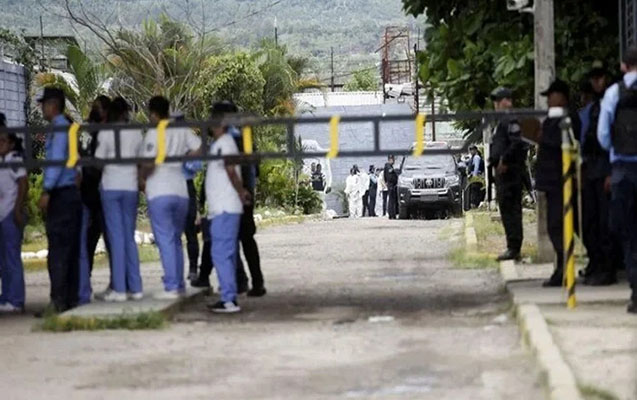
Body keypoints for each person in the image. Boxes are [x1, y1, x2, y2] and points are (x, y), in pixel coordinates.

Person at [140, 96, 202, 299]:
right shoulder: (181, 130)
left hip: (160, 191)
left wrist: (143, 174)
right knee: (175, 240)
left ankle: (172, 285)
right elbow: (200, 147)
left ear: (153, 114)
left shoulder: (153, 133)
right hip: (181, 191)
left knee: (165, 240)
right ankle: (179, 284)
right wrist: (183, 159)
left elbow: (148, 164)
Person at [597, 46, 637, 314]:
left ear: (623, 66)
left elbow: (603, 135)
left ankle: (636, 294)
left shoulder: (614, 93)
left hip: (623, 170)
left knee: (630, 235)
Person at [37, 88, 83, 313]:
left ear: (52, 105)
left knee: (58, 250)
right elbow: (76, 163)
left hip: (61, 194)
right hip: (71, 193)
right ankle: (71, 299)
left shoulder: (58, 128)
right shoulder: (70, 128)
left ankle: (58, 301)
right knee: (71, 249)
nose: (42, 109)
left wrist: (46, 190)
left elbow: (55, 161)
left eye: (44, 104)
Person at [94, 97, 144, 302]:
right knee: (129, 237)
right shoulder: (136, 132)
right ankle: (136, 287)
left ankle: (120, 289)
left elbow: (98, 161)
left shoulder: (106, 132)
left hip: (111, 186)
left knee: (116, 239)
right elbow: (141, 159)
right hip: (130, 187)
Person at [204, 103, 251, 313]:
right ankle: (229, 295)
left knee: (221, 253)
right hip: (226, 207)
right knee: (227, 254)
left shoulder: (224, 143)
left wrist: (241, 192)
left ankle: (228, 300)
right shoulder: (225, 143)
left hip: (224, 208)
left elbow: (231, 171)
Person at [535, 79, 581, 287]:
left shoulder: (568, 118)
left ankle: (565, 269)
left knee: (560, 225)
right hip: (552, 182)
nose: (548, 101)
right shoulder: (554, 118)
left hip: (562, 182)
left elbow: (565, 142)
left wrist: (542, 137)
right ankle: (563, 267)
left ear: (561, 97)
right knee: (557, 226)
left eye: (551, 96)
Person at [579, 64, 617, 286]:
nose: (596, 82)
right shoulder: (594, 107)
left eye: (599, 78)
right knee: (591, 221)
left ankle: (608, 269)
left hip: (606, 169)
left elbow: (613, 140)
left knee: (606, 223)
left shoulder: (613, 102)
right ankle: (597, 264)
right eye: (593, 79)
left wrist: (611, 171)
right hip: (592, 169)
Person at [488, 87, 527, 261]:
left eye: (499, 100)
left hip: (510, 173)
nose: (496, 104)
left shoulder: (511, 119)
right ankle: (512, 246)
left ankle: (514, 247)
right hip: (503, 174)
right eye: (495, 101)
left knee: (511, 211)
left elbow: (518, 142)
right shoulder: (503, 120)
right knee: (506, 210)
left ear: (508, 101)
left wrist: (504, 160)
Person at [0, 120, 28, 312]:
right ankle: (7, 296)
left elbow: (23, 184)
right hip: (3, 215)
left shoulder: (14, 159)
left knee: (12, 258)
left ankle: (16, 300)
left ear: (11, 143)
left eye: (2, 141)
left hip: (11, 213)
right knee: (4, 260)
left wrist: (18, 209)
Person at [384, 155, 399, 219]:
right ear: (390, 160)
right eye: (393, 160)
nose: (394, 161)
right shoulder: (388, 166)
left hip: (392, 184)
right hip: (391, 184)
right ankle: (391, 214)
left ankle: (393, 214)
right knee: (391, 200)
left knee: (393, 200)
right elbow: (389, 174)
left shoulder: (390, 166)